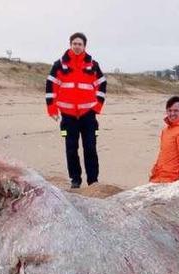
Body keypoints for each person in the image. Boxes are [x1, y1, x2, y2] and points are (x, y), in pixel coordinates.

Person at [45, 32, 107, 188]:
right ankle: (75, 180)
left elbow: (102, 83)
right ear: (70, 45)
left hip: (88, 116)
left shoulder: (93, 64)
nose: (77, 46)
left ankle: (93, 181)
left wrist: (97, 106)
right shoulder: (59, 64)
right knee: (71, 149)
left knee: (90, 148)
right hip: (68, 117)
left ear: (84, 46)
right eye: (74, 43)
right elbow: (50, 86)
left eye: (80, 44)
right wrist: (52, 109)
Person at [149, 96, 179, 183]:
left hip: (173, 182)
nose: (172, 114)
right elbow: (163, 154)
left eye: (175, 111)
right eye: (169, 110)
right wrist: (154, 172)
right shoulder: (166, 130)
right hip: (160, 178)